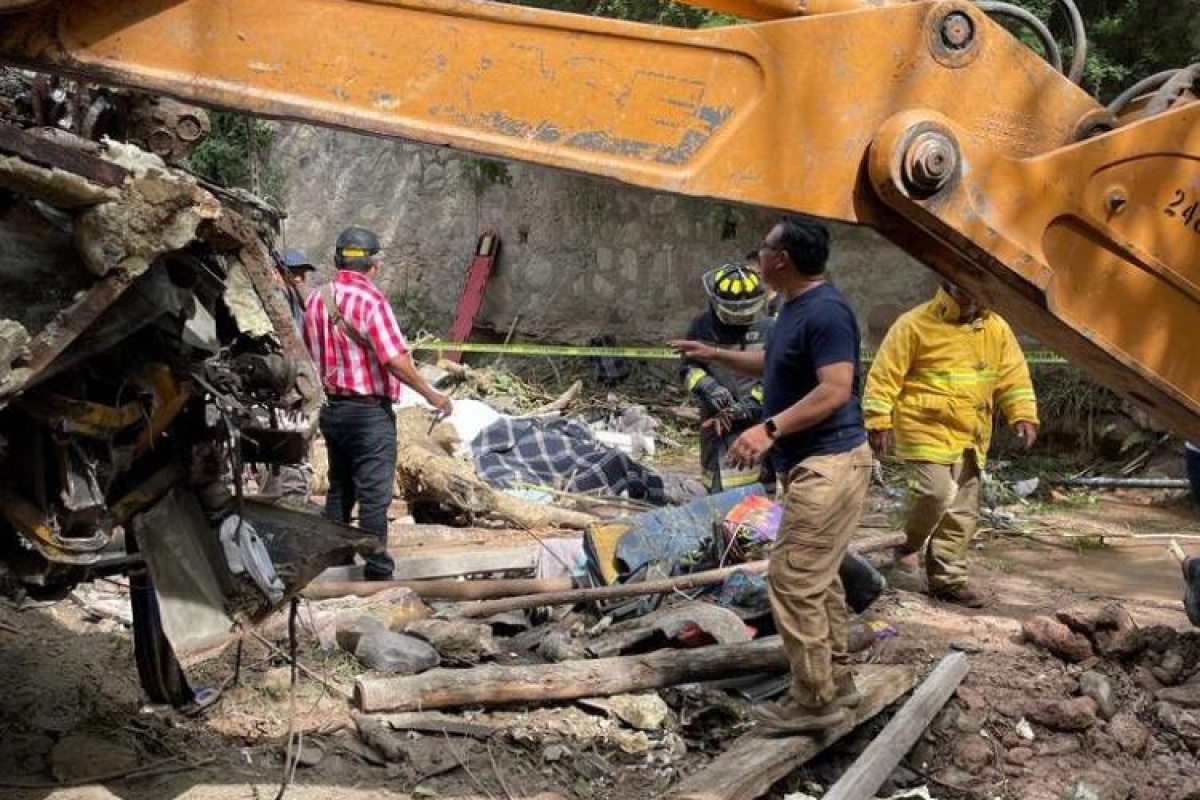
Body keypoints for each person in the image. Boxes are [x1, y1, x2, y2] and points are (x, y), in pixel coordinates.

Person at [671, 215, 874, 734]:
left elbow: (836, 389)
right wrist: (716, 354)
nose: (756, 255)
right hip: (812, 465)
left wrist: (769, 428)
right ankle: (836, 683)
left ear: (781, 259)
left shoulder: (826, 311)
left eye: (762, 248)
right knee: (819, 578)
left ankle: (813, 701)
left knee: (792, 579)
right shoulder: (792, 307)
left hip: (829, 465)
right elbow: (775, 362)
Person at [863, 282, 1039, 608]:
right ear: (946, 283)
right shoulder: (913, 324)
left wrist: (1023, 414)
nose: (969, 294)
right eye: (961, 287)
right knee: (935, 493)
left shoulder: (996, 327)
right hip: (924, 428)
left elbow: (1013, 376)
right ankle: (908, 545)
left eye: (974, 287)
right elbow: (884, 375)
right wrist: (878, 420)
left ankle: (948, 580)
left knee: (962, 511)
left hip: (971, 433)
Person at [303, 226, 452, 580]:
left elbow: (307, 353)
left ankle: (336, 561)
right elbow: (395, 360)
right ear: (374, 265)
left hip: (332, 409)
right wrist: (432, 394)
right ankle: (378, 570)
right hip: (368, 413)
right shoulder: (372, 302)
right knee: (374, 493)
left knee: (341, 487)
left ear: (338, 260)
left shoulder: (316, 300)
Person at [679, 262, 773, 493]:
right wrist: (708, 387)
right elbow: (688, 368)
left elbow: (778, 376)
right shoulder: (702, 327)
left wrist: (751, 404)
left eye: (746, 311)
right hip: (714, 421)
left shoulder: (769, 329)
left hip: (757, 424)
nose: (740, 318)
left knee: (758, 489)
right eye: (732, 312)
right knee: (715, 484)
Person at [275, 247, 316, 331]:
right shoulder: (280, 295)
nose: (299, 278)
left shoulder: (295, 294)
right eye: (294, 273)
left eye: (302, 273)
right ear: (280, 271)